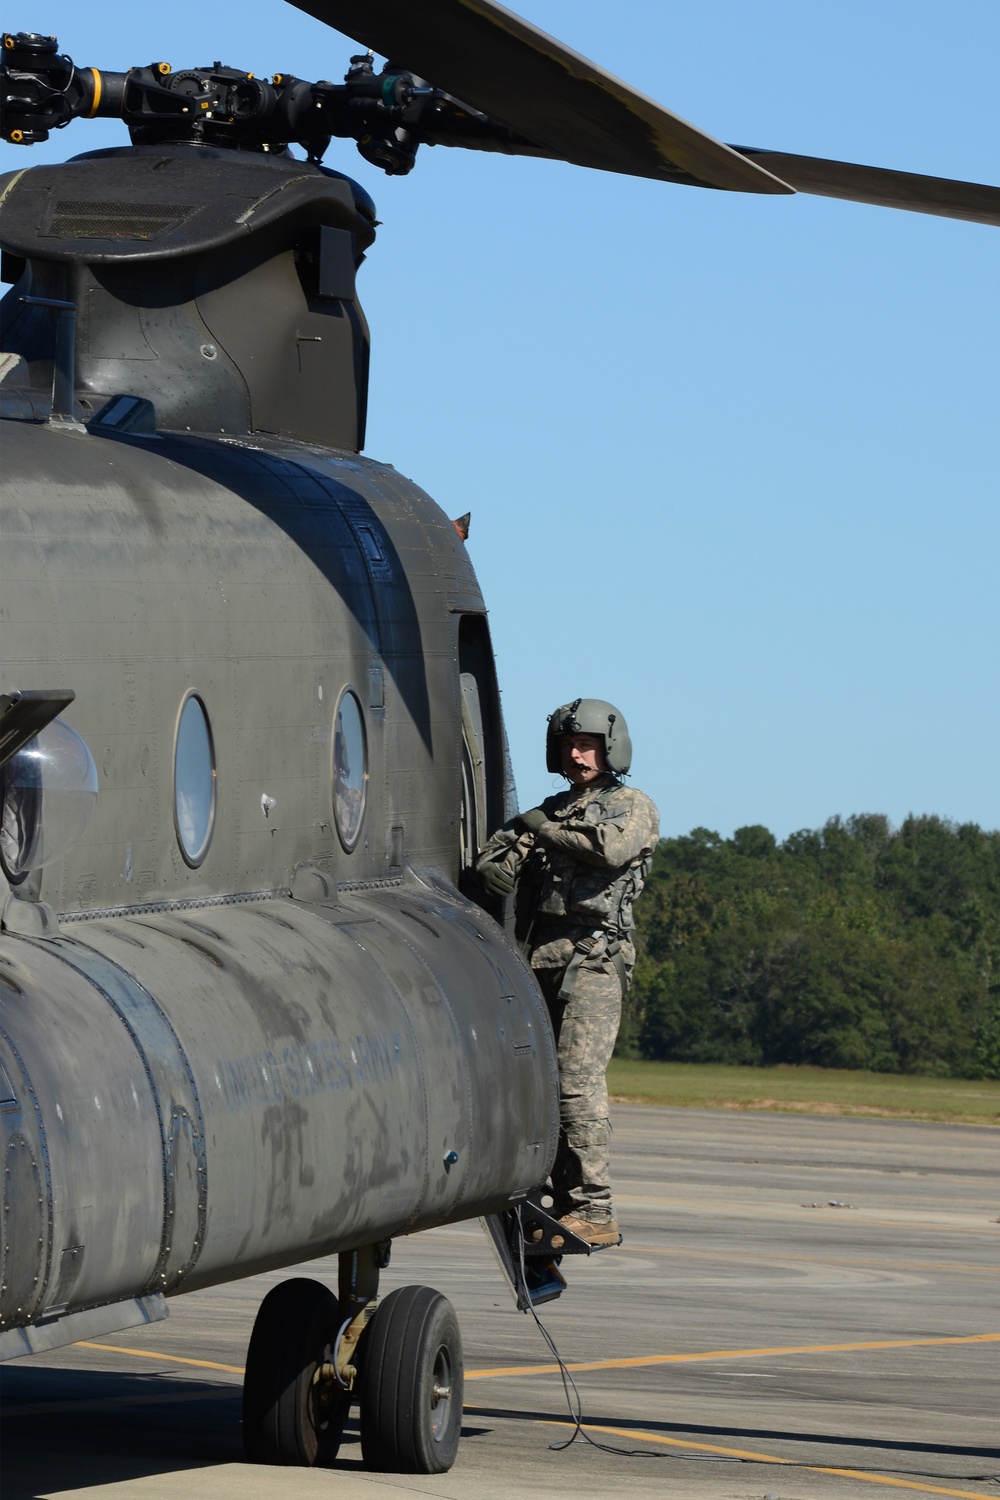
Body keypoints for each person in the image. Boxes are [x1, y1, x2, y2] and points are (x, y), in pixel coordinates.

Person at [476, 699, 659, 1247]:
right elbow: (495, 860)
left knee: (578, 1084)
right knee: (540, 1085)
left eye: (588, 746)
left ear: (611, 749)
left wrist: (540, 829)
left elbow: (608, 849)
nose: (578, 755)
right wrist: (501, 863)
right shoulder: (551, 808)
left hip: (594, 963)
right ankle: (548, 1194)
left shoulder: (632, 805)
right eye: (569, 746)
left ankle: (595, 1208)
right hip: (541, 960)